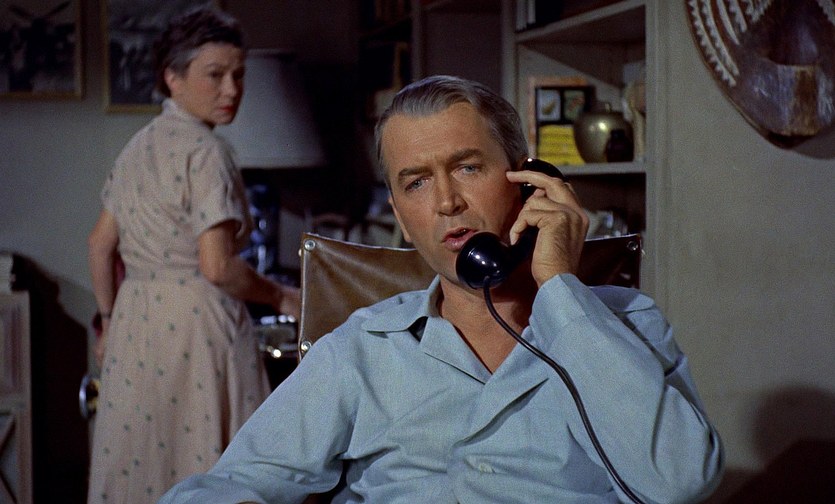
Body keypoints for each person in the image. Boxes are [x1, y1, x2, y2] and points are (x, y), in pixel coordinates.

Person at [159, 75, 723, 503]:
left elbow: (678, 481)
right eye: (417, 183)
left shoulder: (626, 324)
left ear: (530, 183)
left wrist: (560, 289)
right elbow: (226, 487)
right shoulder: (362, 349)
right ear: (402, 218)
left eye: (468, 168)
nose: (447, 201)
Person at [86, 8, 300, 503]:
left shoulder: (137, 145)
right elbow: (217, 266)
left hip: (135, 321)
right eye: (215, 75)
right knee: (204, 461)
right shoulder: (206, 151)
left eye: (238, 75)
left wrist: (108, 319)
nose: (231, 90)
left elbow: (99, 244)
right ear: (173, 78)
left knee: (141, 457)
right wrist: (281, 296)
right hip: (196, 324)